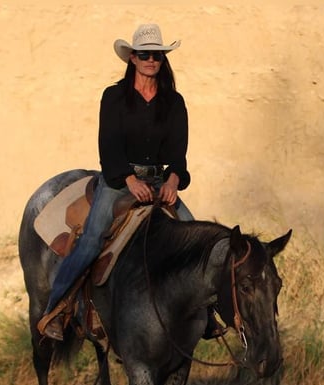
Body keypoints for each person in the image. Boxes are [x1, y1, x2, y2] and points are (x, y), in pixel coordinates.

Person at [39, 23, 220, 341]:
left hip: (160, 181)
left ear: (163, 60)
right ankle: (56, 309)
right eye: (144, 54)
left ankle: (209, 314)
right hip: (118, 180)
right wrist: (129, 179)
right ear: (132, 59)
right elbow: (107, 148)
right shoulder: (114, 98)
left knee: (196, 237)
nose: (151, 60)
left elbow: (179, 151)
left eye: (157, 55)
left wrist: (174, 178)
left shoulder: (173, 102)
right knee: (92, 240)